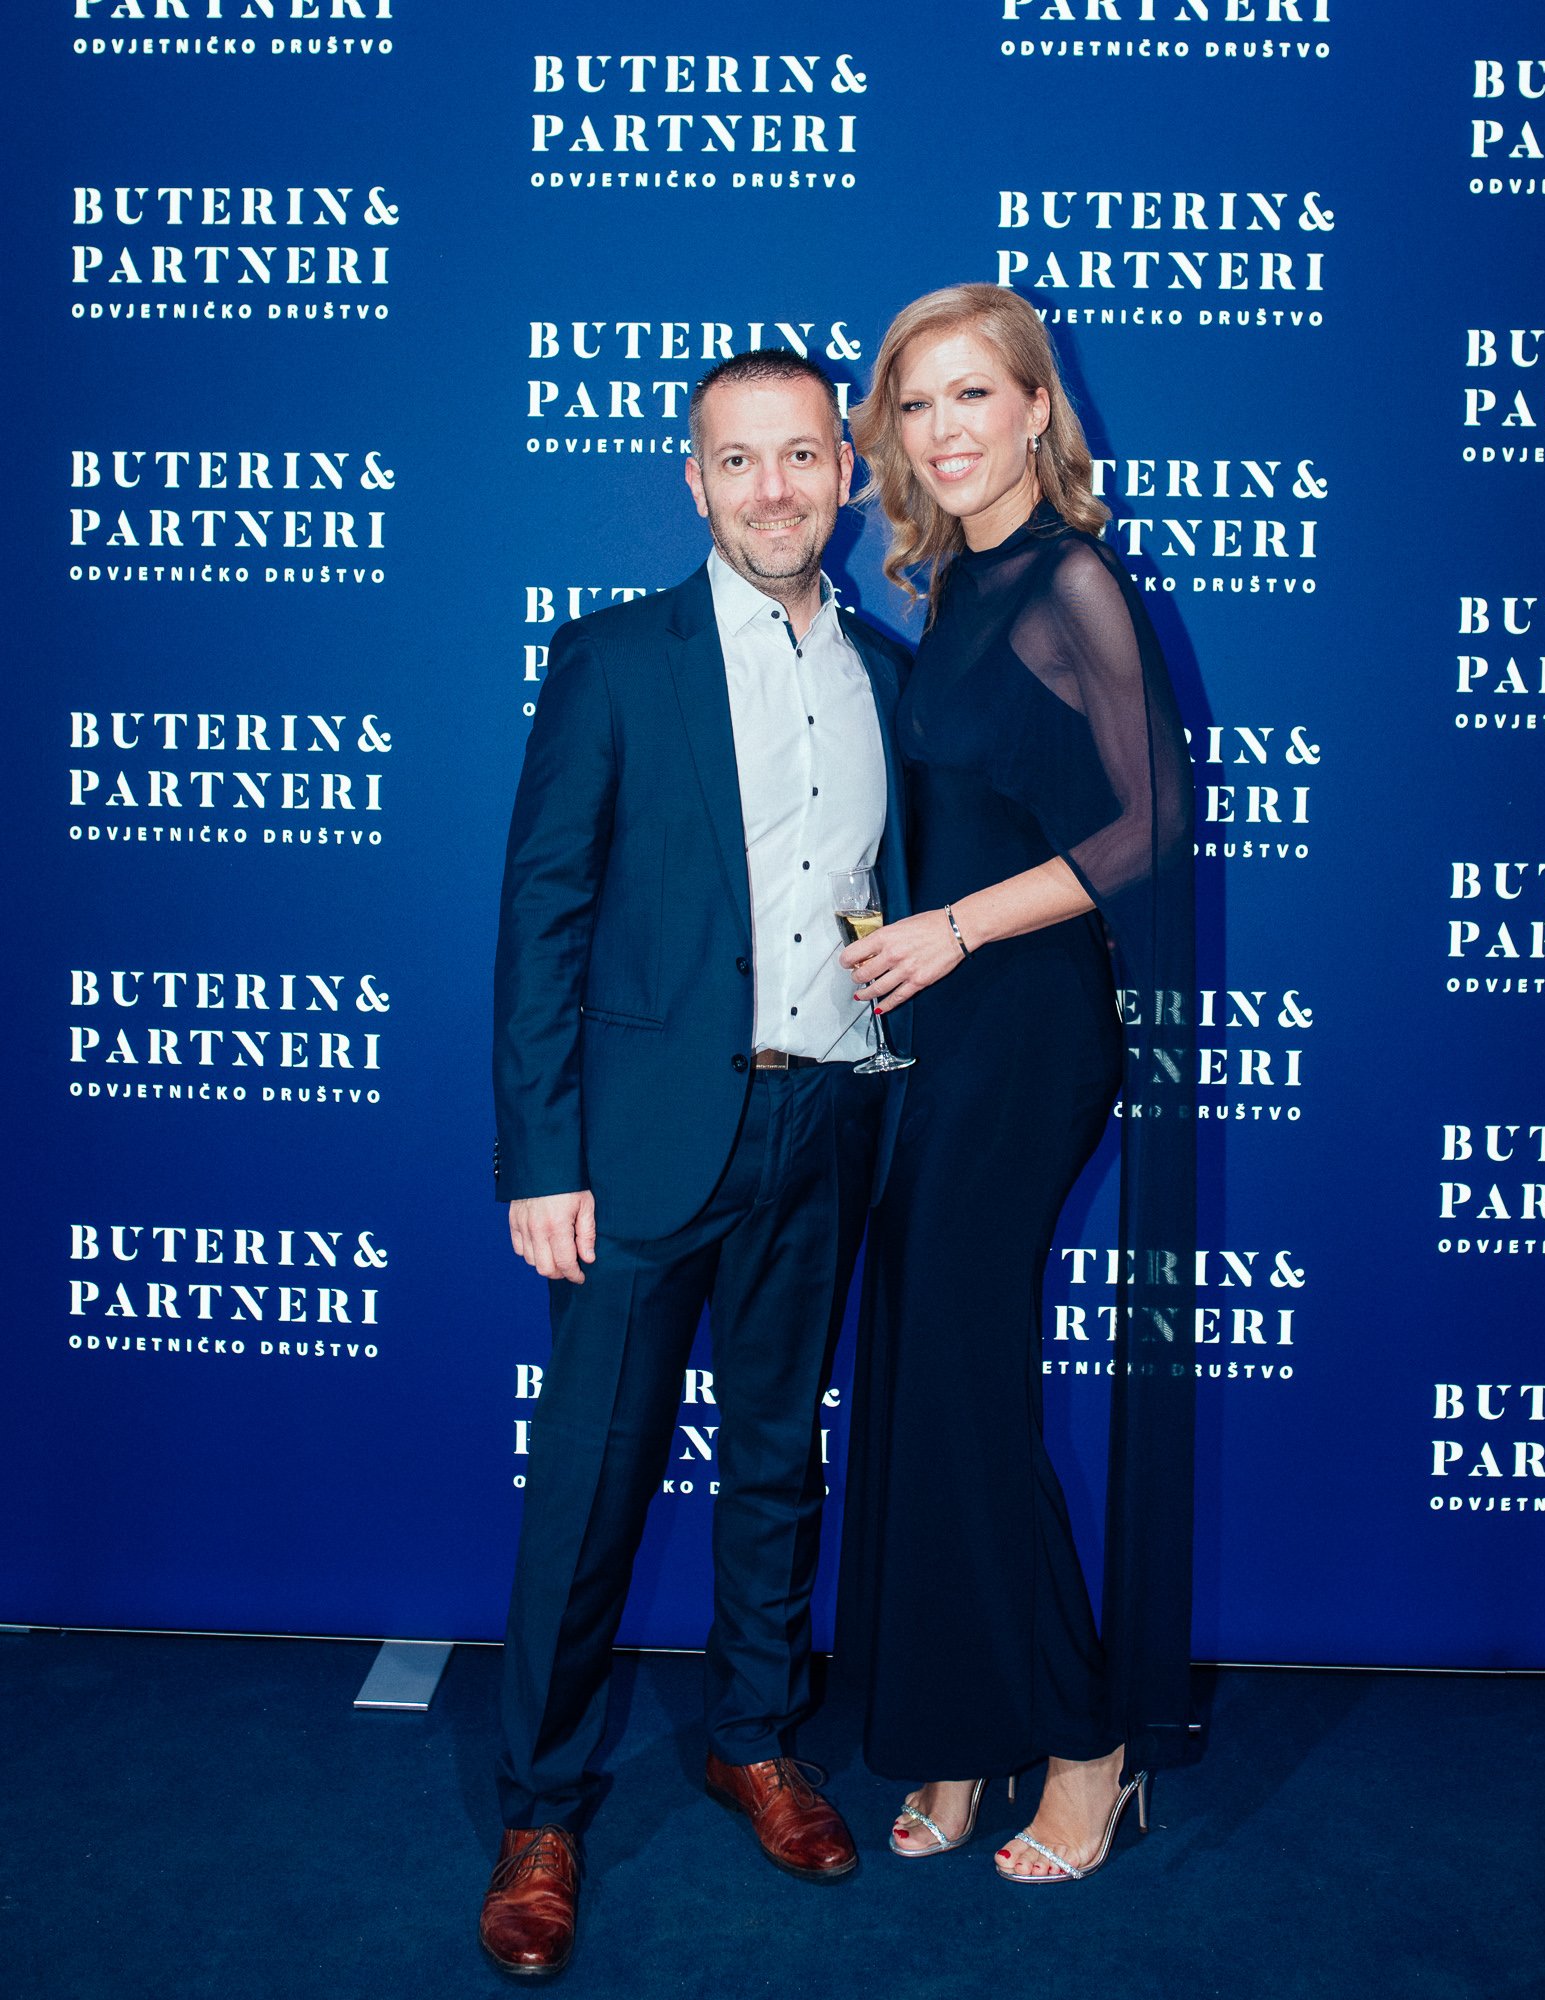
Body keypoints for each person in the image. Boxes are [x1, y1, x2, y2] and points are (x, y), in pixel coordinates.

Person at [483, 350, 913, 1975]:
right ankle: (541, 1805)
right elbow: (544, 917)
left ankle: (755, 1735)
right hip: (643, 1147)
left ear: (848, 476)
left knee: (777, 1459)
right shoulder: (611, 660)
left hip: (826, 1126)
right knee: (591, 1483)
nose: (776, 489)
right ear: (694, 481)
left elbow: (875, 888)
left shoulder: (887, 670)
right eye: (741, 462)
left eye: (804, 457)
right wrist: (544, 1151)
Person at [835, 284, 1196, 1883]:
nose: (944, 431)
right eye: (915, 406)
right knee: (922, 1378)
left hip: (1029, 1025)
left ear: (1039, 408)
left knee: (968, 1386)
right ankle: (962, 1725)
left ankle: (1084, 1737)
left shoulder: (1073, 583)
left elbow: (1144, 832)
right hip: (941, 1029)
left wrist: (954, 928)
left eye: (973, 396)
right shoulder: (951, 586)